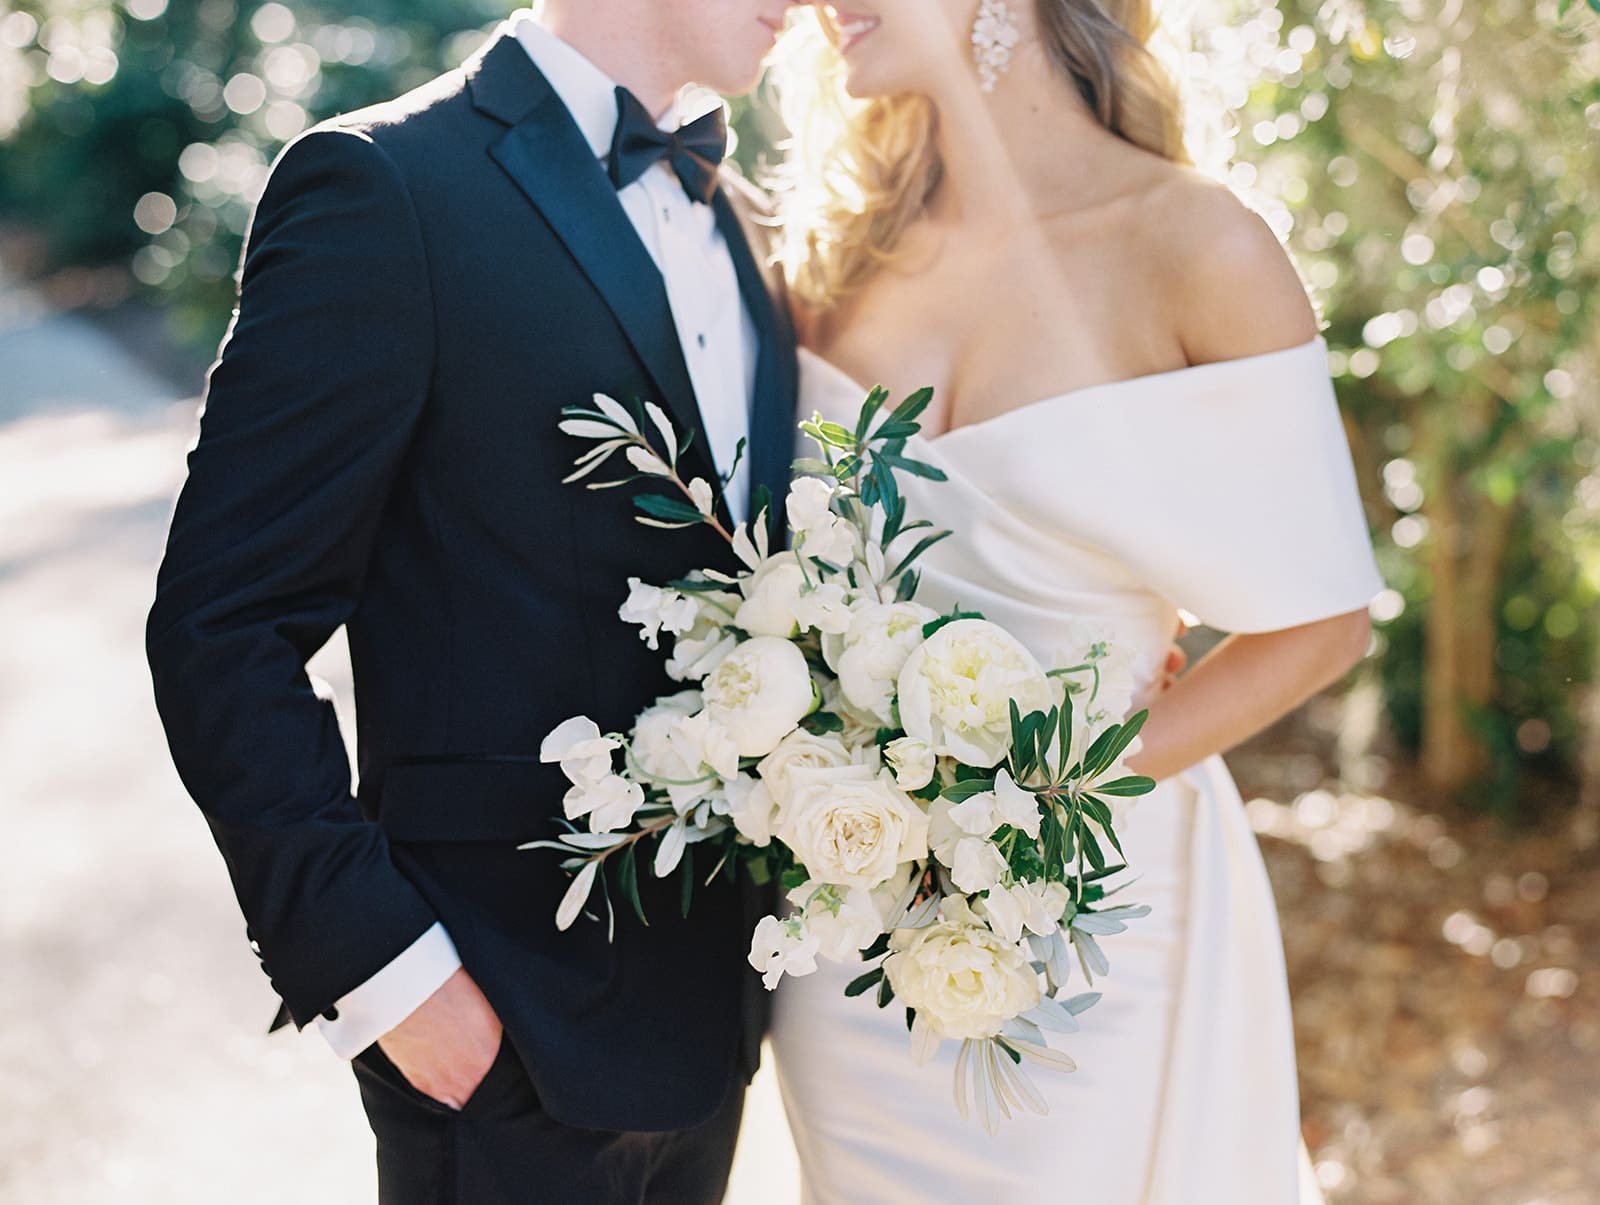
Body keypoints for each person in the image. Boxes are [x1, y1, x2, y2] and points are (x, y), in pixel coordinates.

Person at [145, 3, 801, 1201]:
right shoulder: (386, 188)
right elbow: (221, 624)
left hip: (713, 1024)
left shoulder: (743, 221)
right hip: (501, 1035)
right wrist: (391, 973)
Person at [765, 2, 1382, 1201]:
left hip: (1089, 914)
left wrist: (1061, 782)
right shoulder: (830, 258)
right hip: (854, 940)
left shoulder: (1199, 245)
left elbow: (1321, 620)